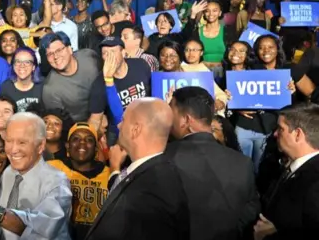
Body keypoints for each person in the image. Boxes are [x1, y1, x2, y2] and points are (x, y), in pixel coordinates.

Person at [0, 112, 73, 239]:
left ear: (41, 146)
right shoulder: (9, 173)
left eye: (22, 142)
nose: (13, 149)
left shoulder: (57, 182)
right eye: (9, 141)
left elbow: (41, 230)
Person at [86, 98, 190, 240]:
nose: (119, 126)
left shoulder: (152, 189)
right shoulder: (153, 174)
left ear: (135, 130)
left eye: (123, 120)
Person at [166, 86, 260, 240]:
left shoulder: (163, 159)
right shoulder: (243, 163)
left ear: (186, 120)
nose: (168, 119)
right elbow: (251, 211)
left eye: (171, 112)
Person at [256, 103, 319, 240]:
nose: (275, 134)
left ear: (297, 134)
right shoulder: (286, 167)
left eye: (280, 129)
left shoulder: (315, 183)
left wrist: (274, 234)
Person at [47, 123, 111, 240]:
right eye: (76, 139)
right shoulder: (52, 168)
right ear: (67, 146)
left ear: (96, 148)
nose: (82, 142)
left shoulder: (110, 174)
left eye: (89, 139)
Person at [40, 32, 104, 128]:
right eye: (50, 54)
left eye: (59, 50)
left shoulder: (89, 56)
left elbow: (107, 78)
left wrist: (103, 116)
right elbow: (61, 126)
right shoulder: (50, 90)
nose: (55, 57)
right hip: (80, 129)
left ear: (70, 49)